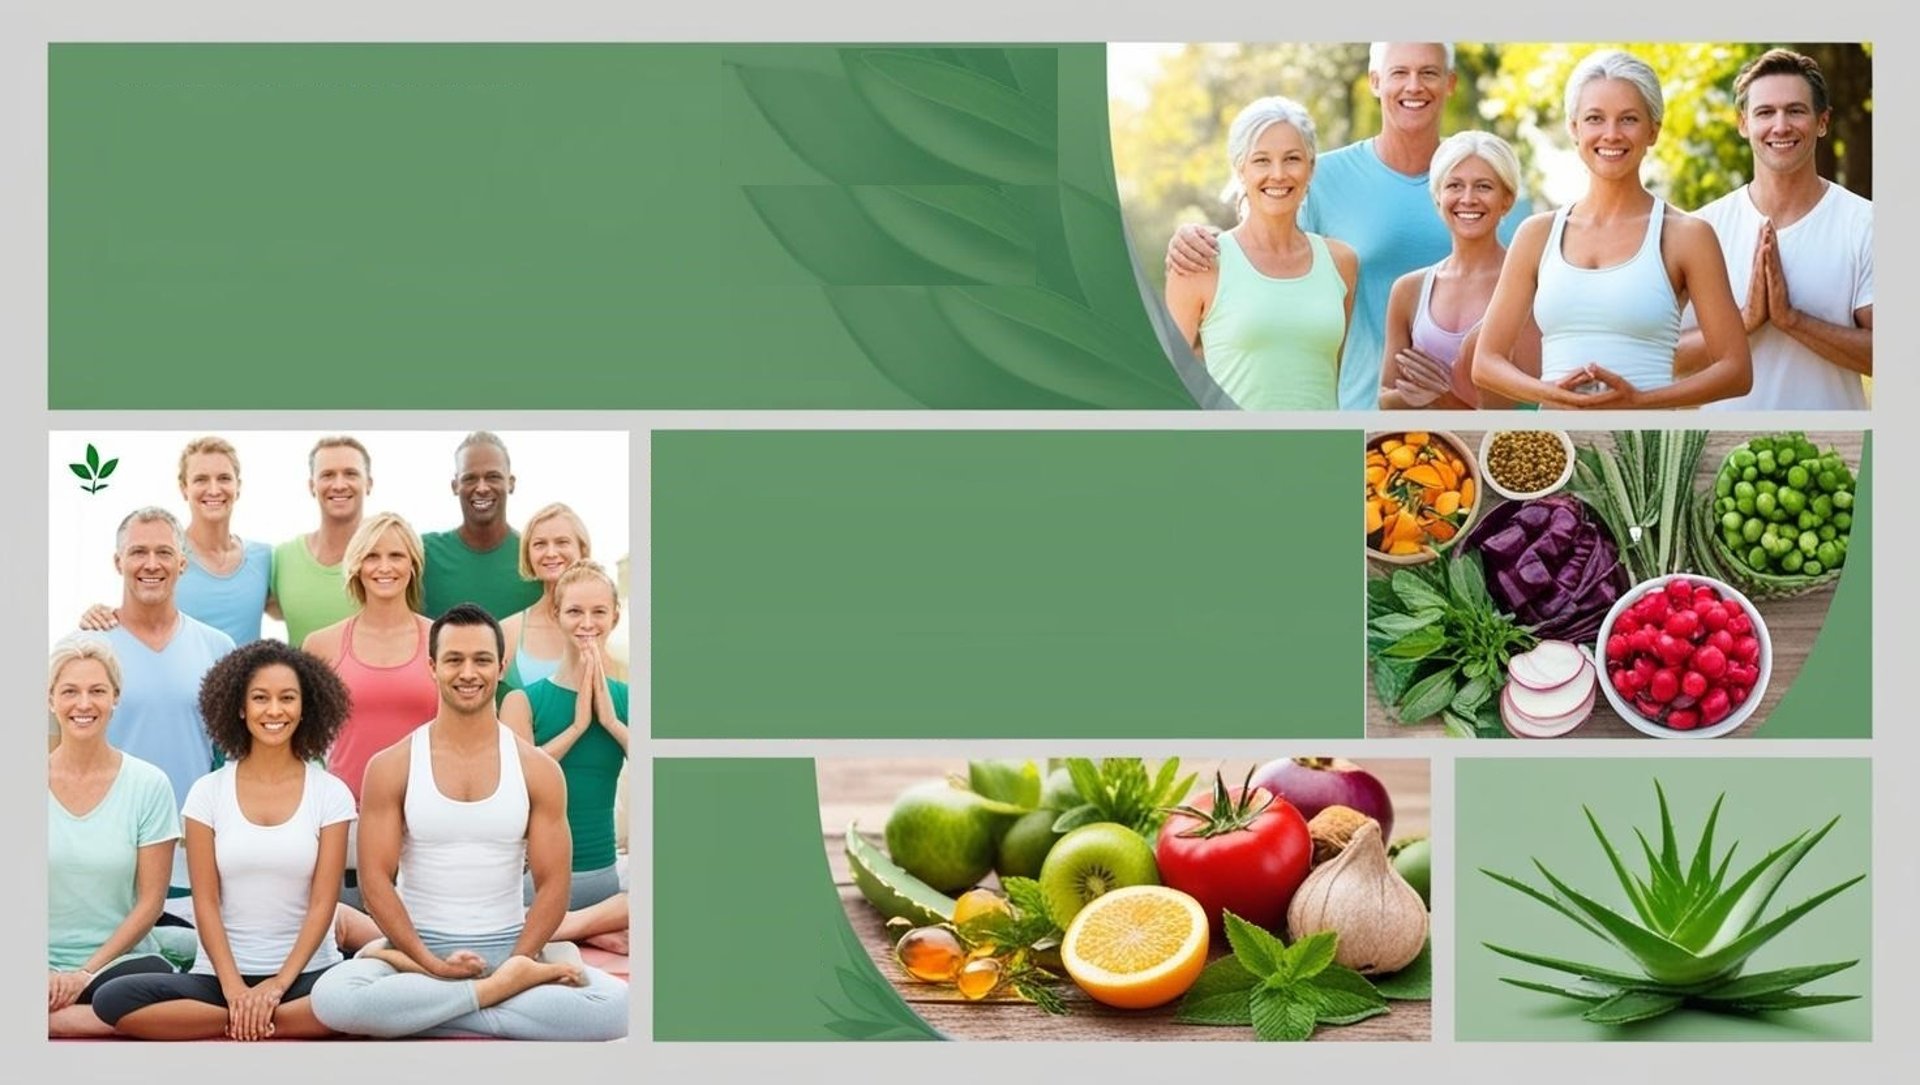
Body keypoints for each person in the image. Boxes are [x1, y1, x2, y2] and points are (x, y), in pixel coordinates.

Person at [308, 604, 628, 1040]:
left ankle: (425, 1011)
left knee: (616, 1008)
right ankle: (497, 995)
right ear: (432, 667)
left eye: (481, 660)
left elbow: (554, 882)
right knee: (335, 998)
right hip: (415, 949)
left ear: (501, 666)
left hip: (510, 944)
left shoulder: (538, 770)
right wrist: (424, 960)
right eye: (454, 660)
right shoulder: (392, 765)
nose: (468, 672)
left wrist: (521, 959)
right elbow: (375, 881)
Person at [1168, 43, 1529, 409]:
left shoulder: (1490, 181)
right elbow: (1260, 258)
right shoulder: (1324, 179)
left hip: (1465, 423)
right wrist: (1197, 238)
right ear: (1375, 81)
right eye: (1399, 72)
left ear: (1450, 83)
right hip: (1358, 415)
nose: (1414, 86)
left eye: (1429, 72)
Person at [93, 642, 357, 1041]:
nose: (274, 711)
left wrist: (276, 986)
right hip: (219, 979)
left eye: (287, 698)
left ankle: (259, 1017)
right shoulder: (207, 792)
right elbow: (206, 901)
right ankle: (262, 1020)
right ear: (239, 707)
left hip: (307, 975)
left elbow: (323, 902)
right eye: (260, 698)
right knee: (112, 999)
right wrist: (235, 990)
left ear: (306, 708)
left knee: (359, 998)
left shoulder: (330, 793)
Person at [1473, 49, 1751, 408]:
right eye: (1594, 118)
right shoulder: (1536, 235)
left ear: (1653, 130)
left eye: (1628, 119)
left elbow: (1737, 370)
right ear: (1574, 128)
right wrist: (1551, 393)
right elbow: (1485, 363)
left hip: (1646, 445)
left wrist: (1639, 401)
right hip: (1556, 442)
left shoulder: (1687, 236)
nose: (1611, 134)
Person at [1677, 48, 1871, 410]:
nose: (1780, 126)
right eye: (1765, 112)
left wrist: (1792, 320)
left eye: (1795, 110)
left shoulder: (1866, 224)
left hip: (1830, 447)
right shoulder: (1701, 230)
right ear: (1743, 123)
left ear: (1823, 122)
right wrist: (1745, 321)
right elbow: (1668, 358)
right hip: (1723, 449)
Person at [1163, 97, 1357, 410]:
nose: (1278, 174)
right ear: (1240, 170)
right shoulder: (1201, 263)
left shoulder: (1341, 262)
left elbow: (1328, 370)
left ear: (1311, 168)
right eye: (1261, 160)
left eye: (1292, 158)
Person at [96, 508, 237, 920]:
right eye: (138, 552)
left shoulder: (217, 647)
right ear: (118, 561)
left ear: (182, 563)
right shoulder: (87, 644)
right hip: (107, 862)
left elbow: (235, 759)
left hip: (193, 861)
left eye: (164, 552)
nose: (151, 564)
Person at [302, 512, 438, 909]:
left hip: (424, 823)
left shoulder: (440, 639)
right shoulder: (321, 645)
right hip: (347, 826)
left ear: (412, 565)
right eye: (372, 556)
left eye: (396, 555)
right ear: (356, 565)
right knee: (346, 948)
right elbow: (296, 741)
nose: (384, 567)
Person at [47, 640, 183, 1037]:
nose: (83, 704)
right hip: (31, 965)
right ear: (50, 700)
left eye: (97, 691)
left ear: (116, 699)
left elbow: (151, 903)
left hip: (117, 967)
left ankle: (43, 1021)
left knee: (129, 993)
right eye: (70, 691)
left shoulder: (148, 784)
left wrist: (84, 974)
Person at [502, 561, 629, 952]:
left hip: (604, 883)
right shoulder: (523, 700)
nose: (586, 622)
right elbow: (514, 782)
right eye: (574, 611)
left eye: (598, 612)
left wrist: (610, 721)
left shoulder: (631, 700)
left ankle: (570, 926)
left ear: (615, 617)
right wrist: (575, 728)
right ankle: (583, 928)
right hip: (534, 885)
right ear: (556, 615)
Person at [1379, 131, 1538, 409]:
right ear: (1438, 197)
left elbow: (1519, 411)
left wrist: (1441, 397)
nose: (1468, 199)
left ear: (1507, 200)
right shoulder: (1409, 289)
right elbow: (1384, 399)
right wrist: (1415, 394)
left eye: (1483, 187)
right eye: (1454, 186)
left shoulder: (1526, 287)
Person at [77, 437, 272, 646]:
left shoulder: (264, 558)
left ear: (238, 486)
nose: (214, 490)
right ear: (184, 488)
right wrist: (99, 614)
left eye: (224, 478)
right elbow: (137, 605)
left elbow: (293, 607)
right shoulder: (166, 558)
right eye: (201, 479)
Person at [421, 432, 543, 621]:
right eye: (470, 479)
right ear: (455, 486)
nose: (482, 488)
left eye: (493, 477)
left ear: (510, 483)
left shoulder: (537, 557)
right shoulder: (425, 553)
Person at [500, 506, 615, 699]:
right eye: (540, 544)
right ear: (528, 554)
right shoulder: (507, 631)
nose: (551, 553)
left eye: (562, 542)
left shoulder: (609, 627)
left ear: (582, 549)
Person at [273, 436, 373, 649]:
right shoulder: (283, 558)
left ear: (369, 483)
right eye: (327, 475)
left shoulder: (390, 559)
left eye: (350, 474)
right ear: (312, 486)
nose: (339, 485)